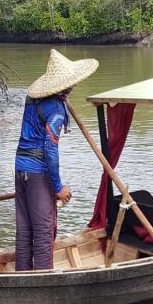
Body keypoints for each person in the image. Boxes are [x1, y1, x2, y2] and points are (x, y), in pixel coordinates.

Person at [15, 49, 98, 271]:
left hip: (20, 167)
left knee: (24, 230)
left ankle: (21, 276)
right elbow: (50, 150)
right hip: (37, 172)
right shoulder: (57, 110)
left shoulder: (32, 97)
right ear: (66, 85)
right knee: (44, 231)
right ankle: (41, 281)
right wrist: (58, 186)